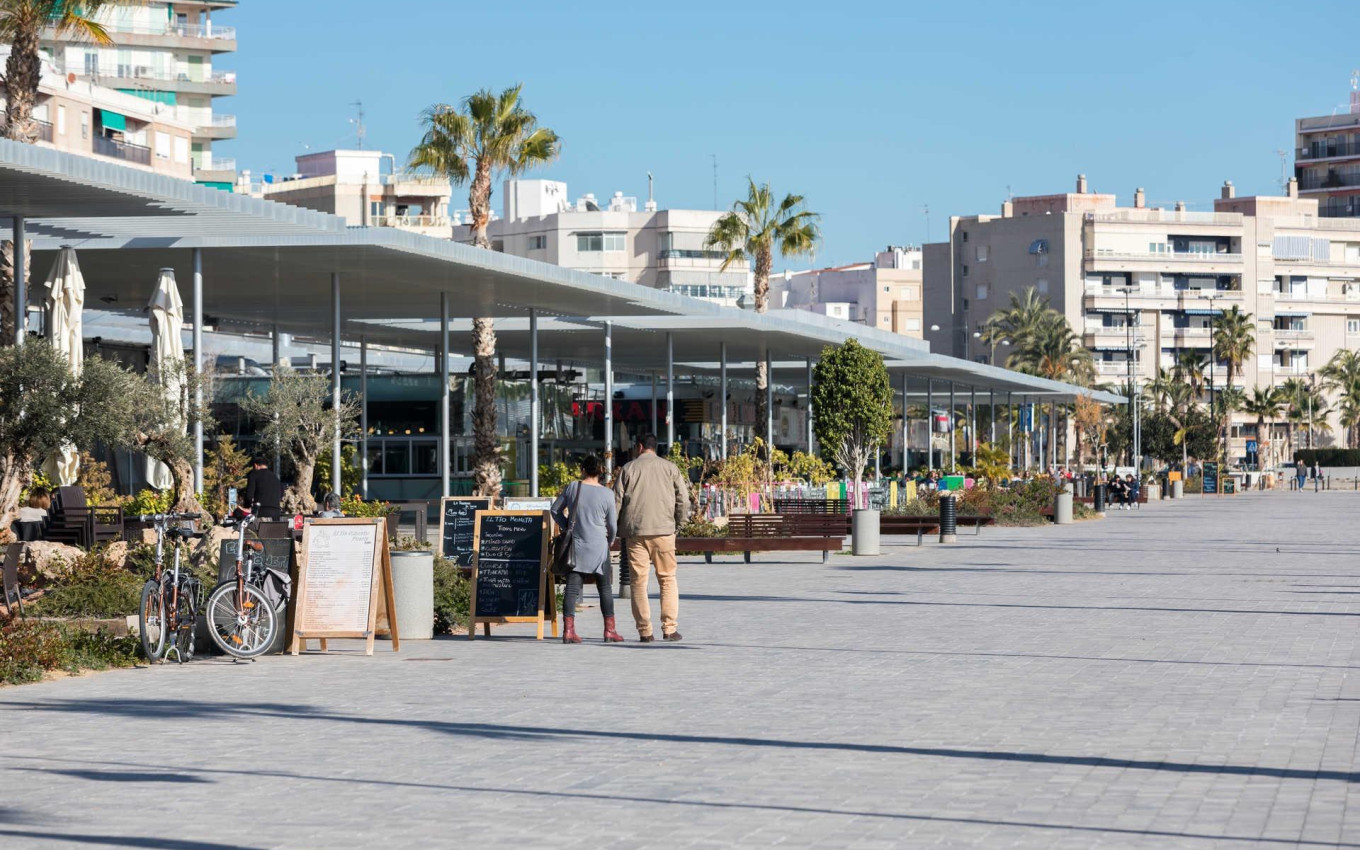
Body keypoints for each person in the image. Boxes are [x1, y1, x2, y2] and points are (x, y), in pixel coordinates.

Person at [614, 433, 690, 642]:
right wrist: (679, 524)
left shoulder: (628, 469)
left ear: (639, 447)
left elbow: (616, 502)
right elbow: (683, 499)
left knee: (639, 582)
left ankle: (645, 631)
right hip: (664, 531)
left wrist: (613, 529)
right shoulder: (670, 468)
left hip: (635, 533)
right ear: (655, 448)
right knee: (667, 579)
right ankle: (669, 628)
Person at [551, 455, 621, 644]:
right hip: (599, 547)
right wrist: (610, 540)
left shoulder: (574, 487)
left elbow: (555, 510)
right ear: (600, 472)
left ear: (583, 469)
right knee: (605, 588)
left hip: (577, 546)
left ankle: (568, 631)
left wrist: (567, 527)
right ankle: (609, 631)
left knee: (572, 588)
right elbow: (613, 525)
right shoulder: (607, 494)